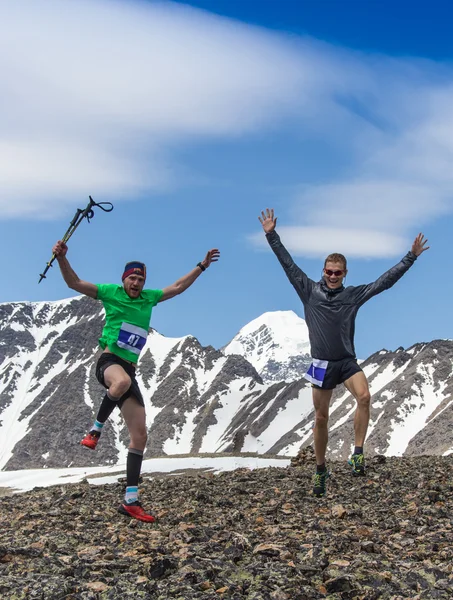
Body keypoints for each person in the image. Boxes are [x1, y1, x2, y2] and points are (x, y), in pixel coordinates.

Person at [258, 208, 429, 497]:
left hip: (347, 361)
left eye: (338, 272)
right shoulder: (308, 290)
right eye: (328, 271)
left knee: (364, 396)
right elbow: (288, 264)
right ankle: (321, 469)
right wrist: (271, 235)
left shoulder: (353, 295)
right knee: (321, 417)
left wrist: (410, 258)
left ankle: (358, 452)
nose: (333, 276)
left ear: (345, 274)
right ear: (322, 272)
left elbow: (383, 283)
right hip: (322, 363)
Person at [52, 240, 220, 521]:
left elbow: (177, 287)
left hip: (129, 370)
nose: (137, 283)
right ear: (124, 279)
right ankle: (95, 431)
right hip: (109, 363)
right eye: (133, 277)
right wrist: (61, 259)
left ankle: (131, 500)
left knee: (140, 435)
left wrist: (201, 266)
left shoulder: (148, 298)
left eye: (141, 279)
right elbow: (75, 283)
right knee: (119, 384)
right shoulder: (110, 293)